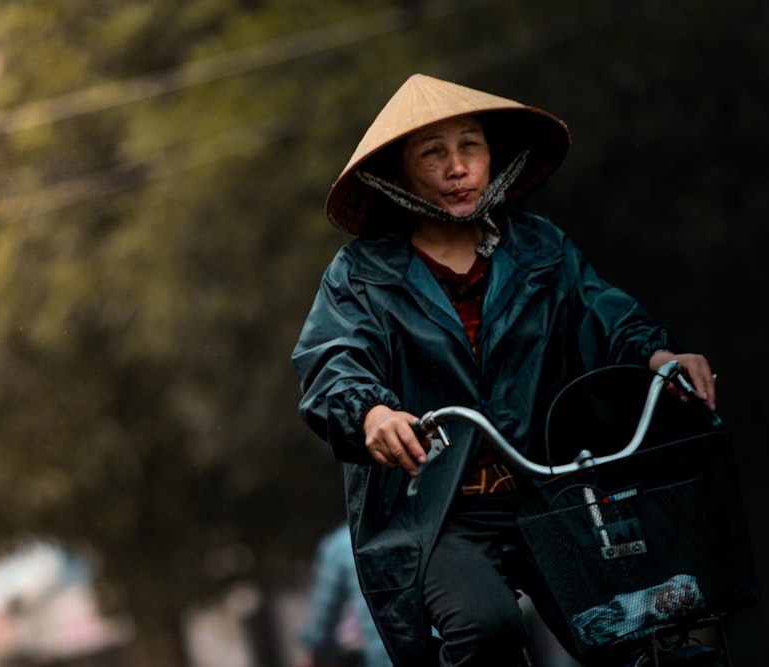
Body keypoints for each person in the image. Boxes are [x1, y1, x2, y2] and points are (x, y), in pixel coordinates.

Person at [290, 73, 716, 667]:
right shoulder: (361, 273)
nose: (457, 167)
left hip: (552, 491)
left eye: (470, 146)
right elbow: (332, 362)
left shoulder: (540, 247)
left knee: (640, 628)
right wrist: (373, 412)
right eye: (432, 153)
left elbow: (603, 314)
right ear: (398, 173)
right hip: (438, 510)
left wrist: (659, 355)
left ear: (493, 157)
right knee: (485, 628)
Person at [297, 523, 391, 667]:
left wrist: (317, 652)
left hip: (385, 657)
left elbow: (322, 628)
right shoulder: (425, 524)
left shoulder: (342, 543)